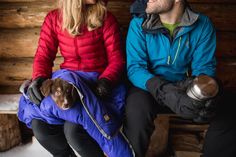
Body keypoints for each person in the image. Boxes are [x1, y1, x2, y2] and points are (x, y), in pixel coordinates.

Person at [18, 0, 134, 157]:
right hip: (68, 84)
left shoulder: (106, 19)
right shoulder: (54, 19)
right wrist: (39, 78)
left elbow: (117, 59)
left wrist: (106, 80)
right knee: (40, 127)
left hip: (98, 85)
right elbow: (43, 57)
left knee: (73, 131)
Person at [124, 0, 236, 157]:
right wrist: (165, 91)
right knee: (136, 109)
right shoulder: (139, 23)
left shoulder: (202, 24)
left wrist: (201, 95)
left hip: (183, 89)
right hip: (148, 88)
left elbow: (204, 69)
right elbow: (135, 69)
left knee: (230, 107)